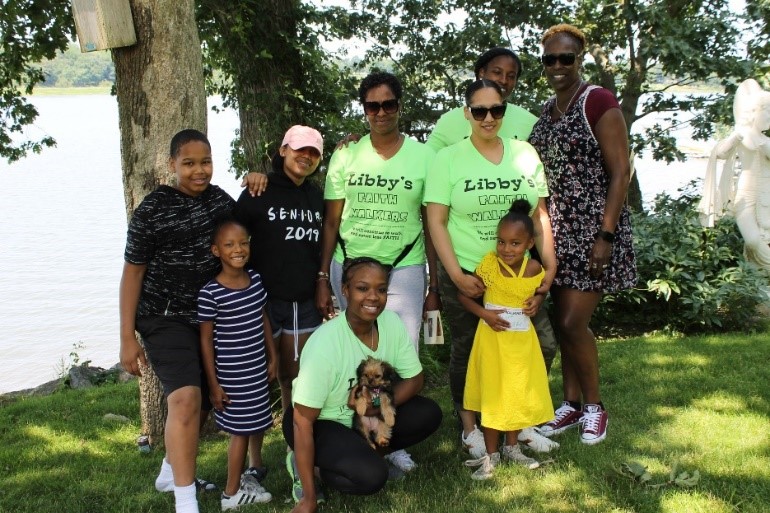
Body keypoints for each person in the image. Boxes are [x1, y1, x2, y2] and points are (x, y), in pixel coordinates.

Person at [425, 48, 560, 453]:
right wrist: (455, 275)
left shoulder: (524, 154)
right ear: (466, 113)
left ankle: (518, 422)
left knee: (540, 344)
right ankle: (471, 427)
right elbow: (436, 220)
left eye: (496, 111)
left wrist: (548, 270)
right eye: (479, 111)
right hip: (470, 270)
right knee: (469, 351)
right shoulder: (447, 159)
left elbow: (540, 216)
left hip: (520, 275)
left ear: (504, 112)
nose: (488, 119)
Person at [316, 72, 439, 472]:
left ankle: (390, 437)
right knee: (351, 352)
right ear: (364, 110)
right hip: (349, 264)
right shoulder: (346, 154)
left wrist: (433, 285)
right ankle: (348, 426)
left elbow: (431, 223)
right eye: (372, 106)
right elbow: (331, 223)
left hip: (402, 266)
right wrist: (322, 277)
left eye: (388, 104)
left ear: (400, 106)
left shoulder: (423, 156)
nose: (381, 112)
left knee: (399, 358)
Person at [527, 24, 637, 445]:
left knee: (573, 323)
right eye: (550, 59)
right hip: (559, 233)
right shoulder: (548, 109)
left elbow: (620, 172)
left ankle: (594, 407)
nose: (558, 66)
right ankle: (569, 405)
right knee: (561, 319)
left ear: (580, 59)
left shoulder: (599, 101)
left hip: (595, 231)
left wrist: (605, 235)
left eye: (566, 58)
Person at [119, 129, 234, 513]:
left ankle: (170, 471)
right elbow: (133, 273)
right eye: (189, 163)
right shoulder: (152, 210)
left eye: (205, 162)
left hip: (205, 319)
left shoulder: (221, 202)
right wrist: (126, 337)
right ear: (172, 165)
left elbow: (250, 225)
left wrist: (259, 179)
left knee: (204, 404)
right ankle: (186, 503)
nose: (199, 171)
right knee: (185, 399)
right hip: (162, 317)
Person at [285, 257, 443, 513]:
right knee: (371, 477)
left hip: (361, 418)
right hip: (320, 422)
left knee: (428, 413)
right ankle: (309, 467)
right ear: (345, 290)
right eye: (362, 288)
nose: (373, 297)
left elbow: (415, 379)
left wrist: (374, 408)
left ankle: (370, 455)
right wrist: (309, 500)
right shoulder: (325, 343)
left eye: (381, 289)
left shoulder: (390, 323)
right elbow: (302, 421)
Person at [233, 125, 324, 414]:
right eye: (300, 149)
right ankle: (253, 455)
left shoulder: (316, 197)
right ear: (283, 150)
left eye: (313, 152)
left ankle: (293, 441)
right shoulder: (259, 190)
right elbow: (230, 240)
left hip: (303, 302)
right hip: (263, 301)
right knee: (259, 377)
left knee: (295, 377)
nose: (306, 156)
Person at [461, 199, 554, 479]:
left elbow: (540, 291)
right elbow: (464, 296)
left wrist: (537, 300)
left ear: (528, 244)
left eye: (515, 243)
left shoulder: (535, 268)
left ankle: (512, 446)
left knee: (516, 391)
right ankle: (491, 454)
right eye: (501, 242)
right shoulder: (490, 265)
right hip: (493, 342)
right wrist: (484, 314)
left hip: (521, 344)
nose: (506, 249)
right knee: (493, 394)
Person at [198, 219, 278, 510]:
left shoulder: (255, 280)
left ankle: (245, 478)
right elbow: (206, 342)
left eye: (243, 243)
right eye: (229, 244)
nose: (238, 249)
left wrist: (273, 356)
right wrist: (214, 385)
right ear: (216, 250)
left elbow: (262, 319)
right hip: (232, 378)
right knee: (240, 432)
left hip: (256, 370)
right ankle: (231, 494)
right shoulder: (210, 293)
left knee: (254, 424)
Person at [698, 78, 770, 271]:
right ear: (755, 112)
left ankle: (758, 289)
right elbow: (721, 153)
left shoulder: (765, 140)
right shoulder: (742, 135)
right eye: (767, 111)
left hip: (767, 195)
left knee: (763, 241)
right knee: (754, 241)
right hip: (745, 196)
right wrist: (736, 135)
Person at [425, 47, 537, 151]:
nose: (504, 80)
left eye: (511, 76)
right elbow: (427, 160)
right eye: (497, 72)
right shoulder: (448, 121)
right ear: (482, 73)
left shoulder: (530, 122)